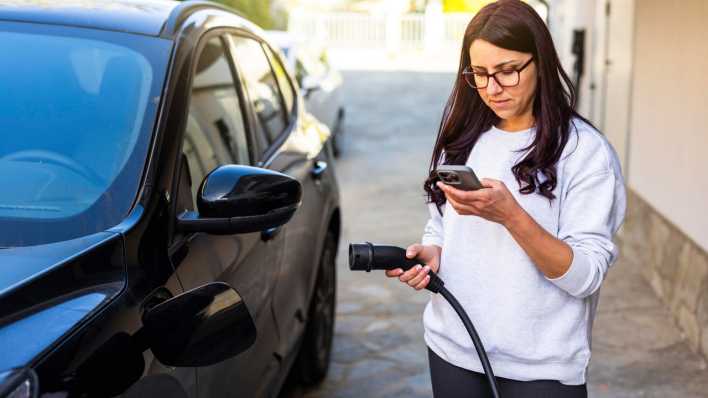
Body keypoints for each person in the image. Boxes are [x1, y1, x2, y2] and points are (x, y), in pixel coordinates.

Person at [385, 1, 627, 397]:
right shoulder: (463, 139)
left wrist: (511, 216)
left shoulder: (585, 152)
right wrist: (435, 251)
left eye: (507, 71)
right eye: (479, 74)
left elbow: (585, 276)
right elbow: (442, 224)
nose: (492, 89)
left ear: (541, 62)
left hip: (542, 367)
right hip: (454, 347)